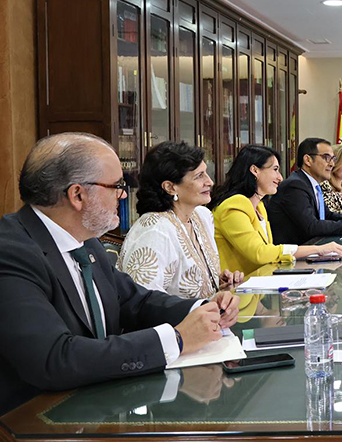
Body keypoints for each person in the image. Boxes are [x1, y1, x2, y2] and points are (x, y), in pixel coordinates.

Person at [0, 132, 239, 415]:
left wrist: (204, 308)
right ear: (77, 194)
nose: (124, 194)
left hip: (99, 403)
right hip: (34, 418)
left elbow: (133, 302)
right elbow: (54, 358)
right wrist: (176, 339)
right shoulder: (11, 252)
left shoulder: (85, 240)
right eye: (116, 186)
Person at [118, 141, 243, 299]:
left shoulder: (201, 216)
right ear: (170, 187)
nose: (210, 182)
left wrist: (219, 283)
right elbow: (143, 303)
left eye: (206, 173)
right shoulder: (155, 232)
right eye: (199, 176)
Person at [211, 145, 342, 276]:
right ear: (255, 170)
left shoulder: (259, 207)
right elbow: (260, 253)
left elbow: (270, 252)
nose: (280, 177)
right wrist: (318, 249)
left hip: (260, 285)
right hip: (237, 291)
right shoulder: (234, 205)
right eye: (275, 169)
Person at [266, 138, 342, 244]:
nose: (331, 164)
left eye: (333, 159)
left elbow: (328, 215)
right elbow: (312, 226)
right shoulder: (295, 185)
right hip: (294, 256)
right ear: (308, 160)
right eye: (326, 158)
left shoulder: (312, 184)